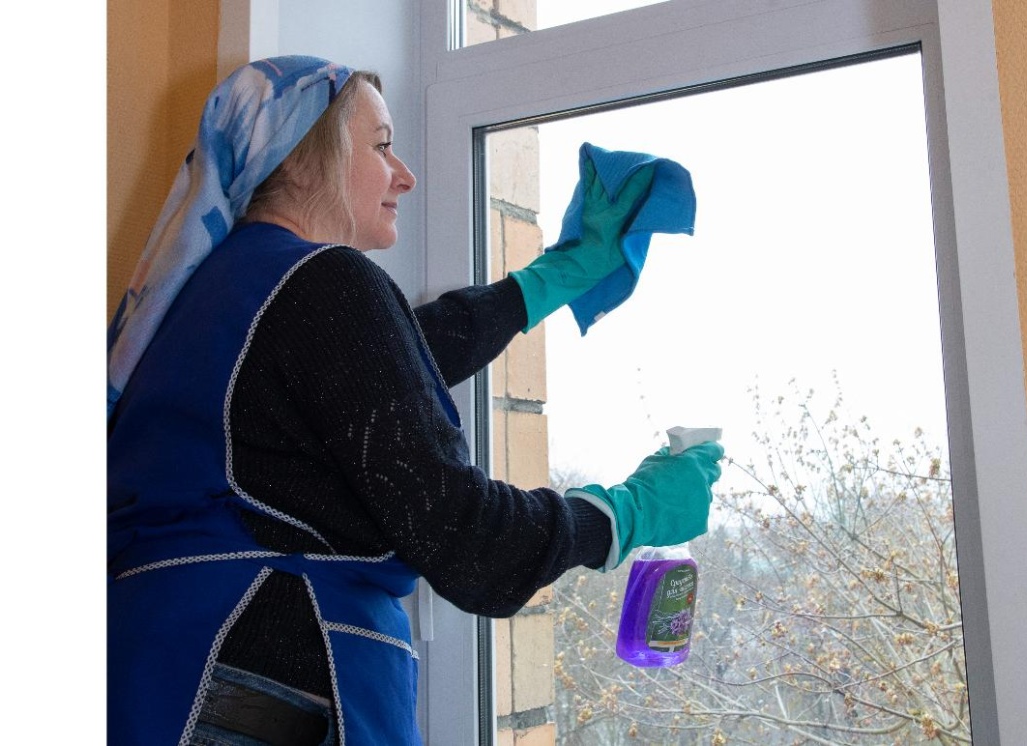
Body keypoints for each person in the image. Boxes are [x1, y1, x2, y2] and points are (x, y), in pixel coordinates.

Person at [107, 55, 723, 746]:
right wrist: (622, 514)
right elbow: (469, 540)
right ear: (303, 159)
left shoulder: (211, 293)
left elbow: (382, 371)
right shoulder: (322, 280)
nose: (405, 175)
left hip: (160, 680)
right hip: (250, 694)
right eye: (381, 147)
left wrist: (551, 278)